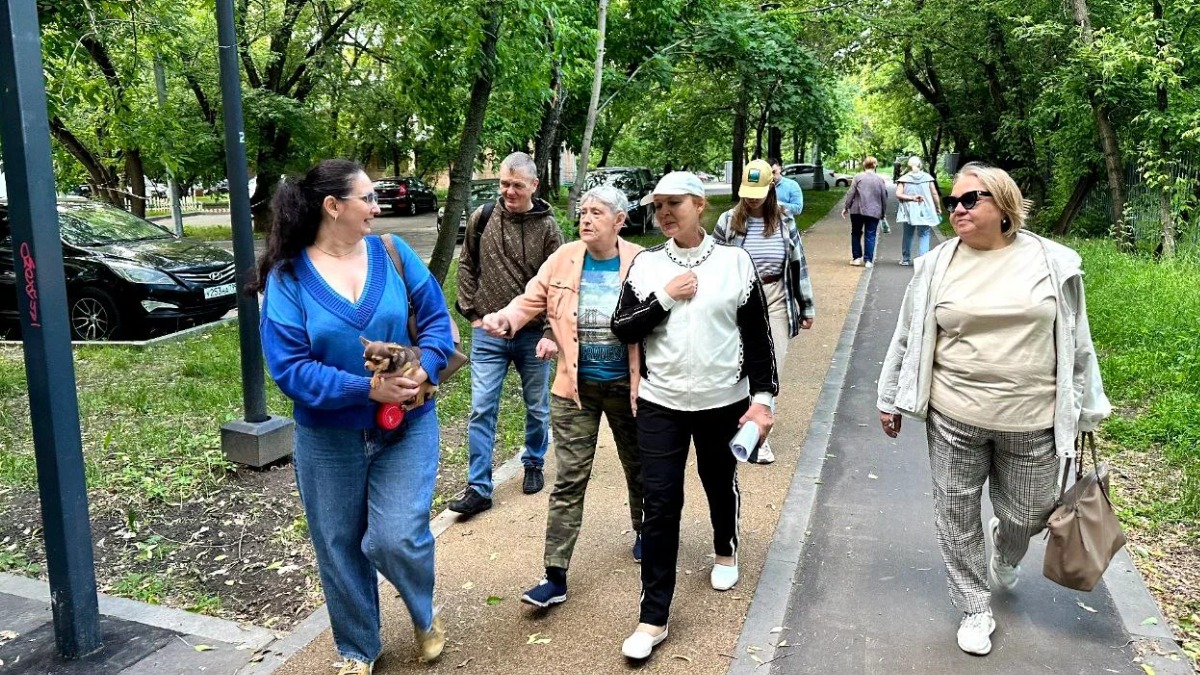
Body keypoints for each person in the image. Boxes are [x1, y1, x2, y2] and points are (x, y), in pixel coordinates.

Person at [876, 163, 1111, 656]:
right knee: (955, 512)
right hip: (954, 413)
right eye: (952, 200)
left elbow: (1079, 342)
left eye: (969, 199)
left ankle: (1005, 545)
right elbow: (908, 333)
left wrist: (1088, 409)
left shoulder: (1054, 262)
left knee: (1030, 512)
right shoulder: (937, 264)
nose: (956, 208)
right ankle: (974, 607)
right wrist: (890, 395)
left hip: (1033, 418)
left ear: (1003, 206)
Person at [255, 160, 457, 674]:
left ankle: (423, 614)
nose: (376, 206)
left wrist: (421, 368)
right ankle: (357, 649)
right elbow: (289, 369)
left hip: (408, 425)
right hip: (327, 438)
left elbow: (436, 321)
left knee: (396, 536)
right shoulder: (288, 276)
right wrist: (366, 388)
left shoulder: (393, 252)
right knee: (339, 544)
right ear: (333, 206)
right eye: (367, 198)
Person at [611, 171, 778, 660]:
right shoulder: (646, 264)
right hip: (662, 402)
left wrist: (763, 398)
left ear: (700, 205)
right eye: (657, 205)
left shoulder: (734, 263)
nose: (663, 213)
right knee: (660, 504)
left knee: (717, 480)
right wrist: (665, 297)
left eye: (673, 204)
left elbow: (757, 339)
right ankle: (653, 617)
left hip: (722, 400)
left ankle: (725, 546)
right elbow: (622, 328)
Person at [479, 184, 646, 609]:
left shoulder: (642, 264)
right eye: (583, 211)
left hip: (630, 389)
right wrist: (506, 319)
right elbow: (529, 300)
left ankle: (645, 530)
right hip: (576, 389)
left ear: (619, 221)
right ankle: (555, 575)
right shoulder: (563, 259)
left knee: (639, 468)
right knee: (569, 479)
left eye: (596, 213)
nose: (585, 219)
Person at [450, 152, 564, 515]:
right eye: (504, 184)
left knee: (536, 405)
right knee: (482, 408)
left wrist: (550, 330)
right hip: (489, 333)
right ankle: (479, 487)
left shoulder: (548, 228)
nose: (509, 191)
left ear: (534, 184)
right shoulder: (482, 218)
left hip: (532, 335)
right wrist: (472, 313)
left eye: (517, 185)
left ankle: (533, 461)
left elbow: (559, 284)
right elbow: (466, 264)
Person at [715, 159, 815, 465]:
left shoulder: (785, 218)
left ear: (770, 188)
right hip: (738, 301)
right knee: (737, 368)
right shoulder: (728, 220)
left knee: (770, 370)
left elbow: (798, 263)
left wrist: (806, 305)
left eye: (757, 192)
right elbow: (714, 265)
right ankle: (735, 426)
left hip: (775, 299)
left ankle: (759, 438)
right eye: (747, 192)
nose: (751, 198)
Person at [841, 156, 890, 268]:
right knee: (871, 234)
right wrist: (883, 212)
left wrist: (846, 207)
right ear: (875, 165)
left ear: (864, 165)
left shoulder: (858, 177)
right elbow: (884, 197)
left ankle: (857, 258)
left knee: (856, 233)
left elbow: (851, 193)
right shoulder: (880, 180)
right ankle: (868, 261)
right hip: (874, 211)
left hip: (857, 210)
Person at [895, 156, 942, 265]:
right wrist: (938, 207)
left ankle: (906, 259)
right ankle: (922, 261)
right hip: (925, 210)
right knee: (924, 234)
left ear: (909, 166)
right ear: (920, 165)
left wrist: (911, 198)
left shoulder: (904, 179)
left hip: (909, 211)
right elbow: (934, 193)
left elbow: (898, 194)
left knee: (908, 234)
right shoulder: (927, 178)